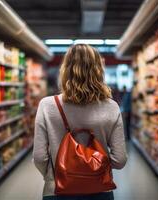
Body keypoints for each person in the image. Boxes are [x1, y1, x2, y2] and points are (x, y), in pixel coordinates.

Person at [33, 44, 127, 200]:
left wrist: (53, 176)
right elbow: (120, 160)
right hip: (99, 190)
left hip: (57, 191)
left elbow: (39, 157)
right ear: (98, 70)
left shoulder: (47, 105)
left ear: (65, 70)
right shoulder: (111, 107)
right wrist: (94, 167)